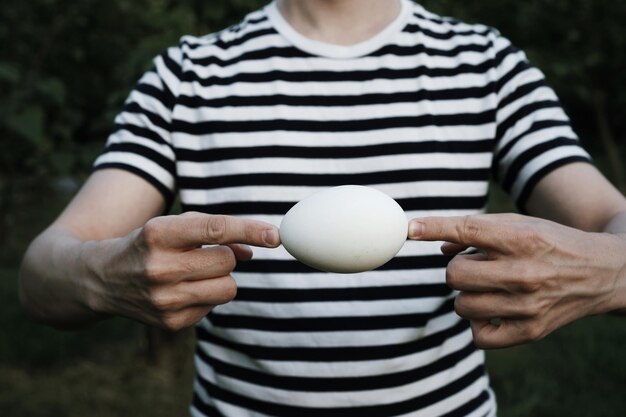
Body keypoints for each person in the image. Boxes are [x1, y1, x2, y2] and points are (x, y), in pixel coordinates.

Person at [18, 0, 626, 416]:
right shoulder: (188, 75)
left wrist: (608, 269)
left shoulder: (486, 64)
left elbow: (608, 220)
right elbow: (42, 272)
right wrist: (100, 273)